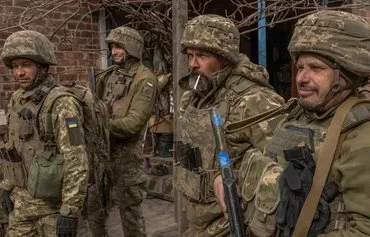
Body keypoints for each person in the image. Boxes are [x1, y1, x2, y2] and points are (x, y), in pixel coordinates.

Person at [233, 10, 370, 237]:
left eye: (316, 68)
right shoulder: (299, 114)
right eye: (301, 66)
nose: (301, 78)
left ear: (346, 74)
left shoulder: (360, 136)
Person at [175, 14, 285, 236]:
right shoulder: (194, 96)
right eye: (190, 55)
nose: (192, 64)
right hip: (195, 217)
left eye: (202, 56)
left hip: (231, 223)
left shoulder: (255, 99)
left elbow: (286, 168)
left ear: (224, 58)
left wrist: (234, 177)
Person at [0, 30, 88, 236]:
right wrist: (6, 186)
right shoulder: (16, 99)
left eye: (26, 65)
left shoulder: (61, 103)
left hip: (52, 210)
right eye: (15, 66)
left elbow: (76, 159)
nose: (19, 72)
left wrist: (70, 210)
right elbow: (15, 147)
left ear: (43, 67)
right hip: (21, 204)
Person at [88, 26, 158, 237]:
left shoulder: (145, 79)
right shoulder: (109, 75)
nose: (114, 52)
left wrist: (99, 125)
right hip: (102, 155)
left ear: (132, 48)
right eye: (112, 47)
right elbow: (95, 105)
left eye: (119, 46)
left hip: (126, 159)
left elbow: (133, 124)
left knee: (130, 216)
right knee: (94, 209)